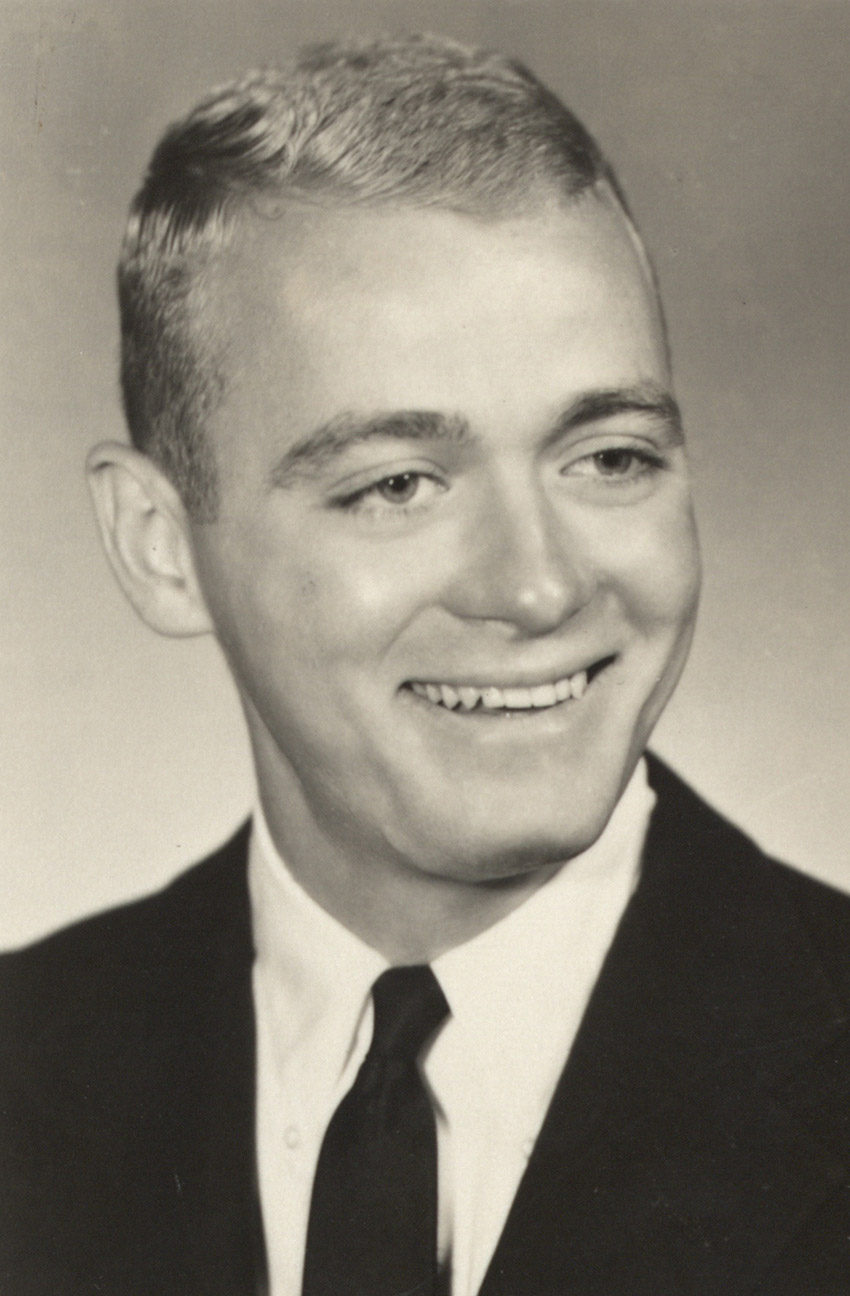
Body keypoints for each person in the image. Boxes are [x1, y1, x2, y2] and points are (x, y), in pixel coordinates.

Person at [2, 32, 849, 1296]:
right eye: (398, 485)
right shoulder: (29, 1066)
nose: (539, 587)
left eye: (608, 458)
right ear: (161, 546)